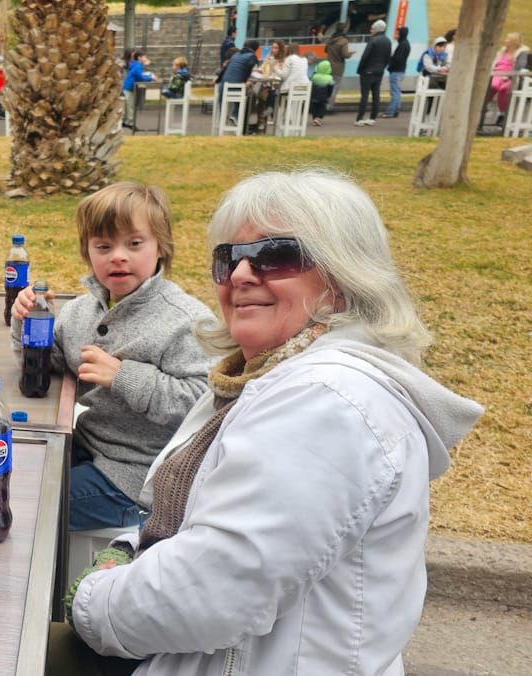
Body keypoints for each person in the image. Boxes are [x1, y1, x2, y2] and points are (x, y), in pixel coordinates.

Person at [61, 169, 482, 674]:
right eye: (229, 258)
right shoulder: (261, 375)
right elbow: (193, 525)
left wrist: (88, 598)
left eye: (275, 255)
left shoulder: (325, 406)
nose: (240, 275)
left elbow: (207, 593)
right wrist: (130, 550)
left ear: (344, 277)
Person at [10, 182, 212, 531]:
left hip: (137, 480)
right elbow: (53, 362)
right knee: (15, 473)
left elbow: (205, 404)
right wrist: (28, 324)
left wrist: (124, 376)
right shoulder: (81, 311)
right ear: (87, 252)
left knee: (29, 507)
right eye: (103, 246)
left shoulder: (185, 320)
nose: (118, 256)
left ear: (161, 247)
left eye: (134, 244)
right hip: (85, 446)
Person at [484, 33, 530, 129]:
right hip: (497, 73)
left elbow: (520, 65)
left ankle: (503, 114)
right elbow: (495, 63)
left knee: (504, 89)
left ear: (514, 42)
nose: (506, 41)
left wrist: (508, 76)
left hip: (511, 75)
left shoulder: (521, 52)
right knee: (494, 86)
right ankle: (483, 107)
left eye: (508, 39)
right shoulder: (502, 51)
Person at [354, 20, 392, 126]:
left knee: (365, 95)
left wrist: (360, 70)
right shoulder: (388, 41)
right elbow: (388, 57)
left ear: (376, 29)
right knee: (376, 95)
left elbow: (365, 56)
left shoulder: (373, 40)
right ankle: (373, 117)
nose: (371, 30)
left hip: (368, 71)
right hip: (379, 71)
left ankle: (360, 118)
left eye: (372, 28)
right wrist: (382, 67)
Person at [122, 50, 157, 130]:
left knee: (130, 105)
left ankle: (128, 121)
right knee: (130, 105)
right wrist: (151, 78)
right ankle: (130, 123)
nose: (146, 58)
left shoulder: (136, 65)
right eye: (144, 57)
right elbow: (140, 77)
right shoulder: (137, 65)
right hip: (129, 88)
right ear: (139, 58)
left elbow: (139, 75)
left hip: (129, 87)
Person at [324, 23, 354, 112]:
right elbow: (345, 54)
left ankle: (323, 105)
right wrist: (350, 54)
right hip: (338, 68)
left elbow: (325, 50)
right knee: (334, 88)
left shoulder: (331, 40)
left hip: (328, 66)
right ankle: (329, 107)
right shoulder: (343, 41)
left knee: (327, 87)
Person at [383, 26, 411, 118]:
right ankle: (395, 110)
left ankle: (390, 112)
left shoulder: (402, 45)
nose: (395, 35)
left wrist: (390, 66)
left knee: (394, 92)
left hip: (396, 71)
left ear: (401, 34)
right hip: (400, 71)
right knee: (397, 92)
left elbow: (397, 59)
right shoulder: (404, 44)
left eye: (397, 34)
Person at [310, 59, 334, 125]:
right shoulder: (329, 78)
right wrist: (329, 95)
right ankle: (318, 118)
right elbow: (331, 88)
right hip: (324, 96)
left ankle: (314, 118)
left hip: (314, 96)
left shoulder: (314, 77)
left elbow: (311, 85)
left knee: (314, 107)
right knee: (322, 107)